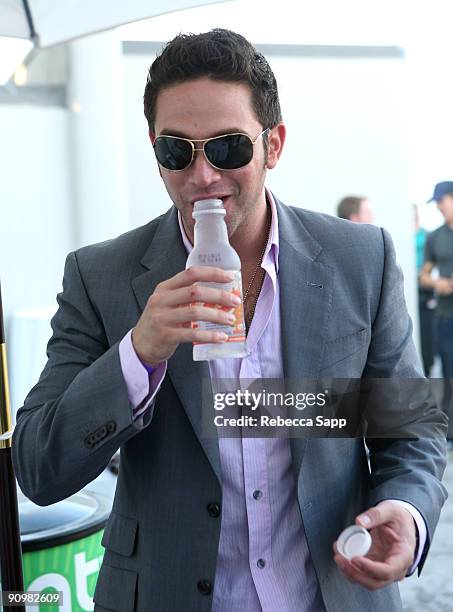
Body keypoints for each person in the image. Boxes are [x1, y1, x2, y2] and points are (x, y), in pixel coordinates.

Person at [12, 30, 447, 612]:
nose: (202, 176)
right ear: (154, 149)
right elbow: (39, 468)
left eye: (228, 148)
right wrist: (138, 354)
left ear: (274, 145)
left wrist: (410, 511)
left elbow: (409, 426)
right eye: (176, 150)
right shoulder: (100, 277)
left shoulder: (360, 259)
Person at [420, 181, 453, 441]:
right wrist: (438, 284)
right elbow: (424, 276)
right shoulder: (435, 237)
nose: (440, 208)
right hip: (446, 317)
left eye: (442, 202)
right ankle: (450, 434)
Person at [415, 204, 436, 376]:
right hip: (411, 286)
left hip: (426, 292)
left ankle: (428, 367)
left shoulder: (427, 236)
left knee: (428, 334)